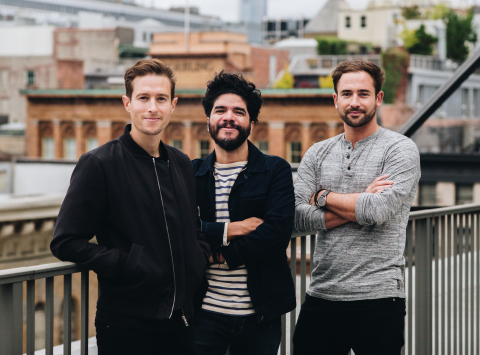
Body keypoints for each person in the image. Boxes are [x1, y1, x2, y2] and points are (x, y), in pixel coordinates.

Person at [50, 59, 210, 355]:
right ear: (127, 103)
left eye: (161, 99)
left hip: (182, 322)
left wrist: (198, 258)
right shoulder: (99, 164)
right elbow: (65, 242)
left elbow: (193, 228)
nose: (153, 107)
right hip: (127, 324)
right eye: (143, 98)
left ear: (173, 105)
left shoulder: (182, 163)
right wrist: (128, 263)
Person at [293, 60, 420, 355]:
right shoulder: (317, 152)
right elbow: (298, 218)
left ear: (378, 98)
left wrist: (323, 195)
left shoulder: (400, 149)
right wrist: (361, 199)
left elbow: (377, 211)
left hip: (379, 297)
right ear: (335, 100)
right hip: (322, 294)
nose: (354, 102)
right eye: (347, 94)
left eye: (363, 94)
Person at [192, 71, 296, 355]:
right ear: (209, 120)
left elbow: (276, 233)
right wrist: (231, 229)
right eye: (220, 110)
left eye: (239, 111)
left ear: (252, 122)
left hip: (260, 313)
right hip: (203, 312)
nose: (229, 117)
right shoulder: (191, 173)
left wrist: (221, 254)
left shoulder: (275, 170)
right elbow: (179, 230)